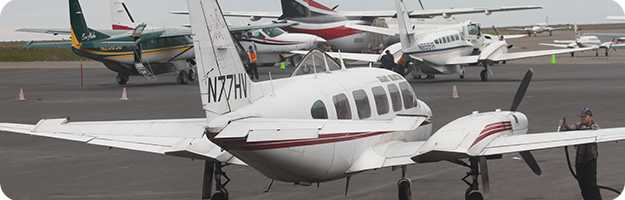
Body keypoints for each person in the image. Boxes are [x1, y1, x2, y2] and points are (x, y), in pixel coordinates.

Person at [561, 107, 601, 200]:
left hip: (590, 160)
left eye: (584, 117)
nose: (582, 119)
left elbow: (600, 133)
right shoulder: (578, 125)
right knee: (582, 184)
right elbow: (570, 128)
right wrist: (564, 125)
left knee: (591, 184)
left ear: (590, 117)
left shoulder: (595, 127)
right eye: (581, 117)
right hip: (580, 160)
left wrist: (595, 130)